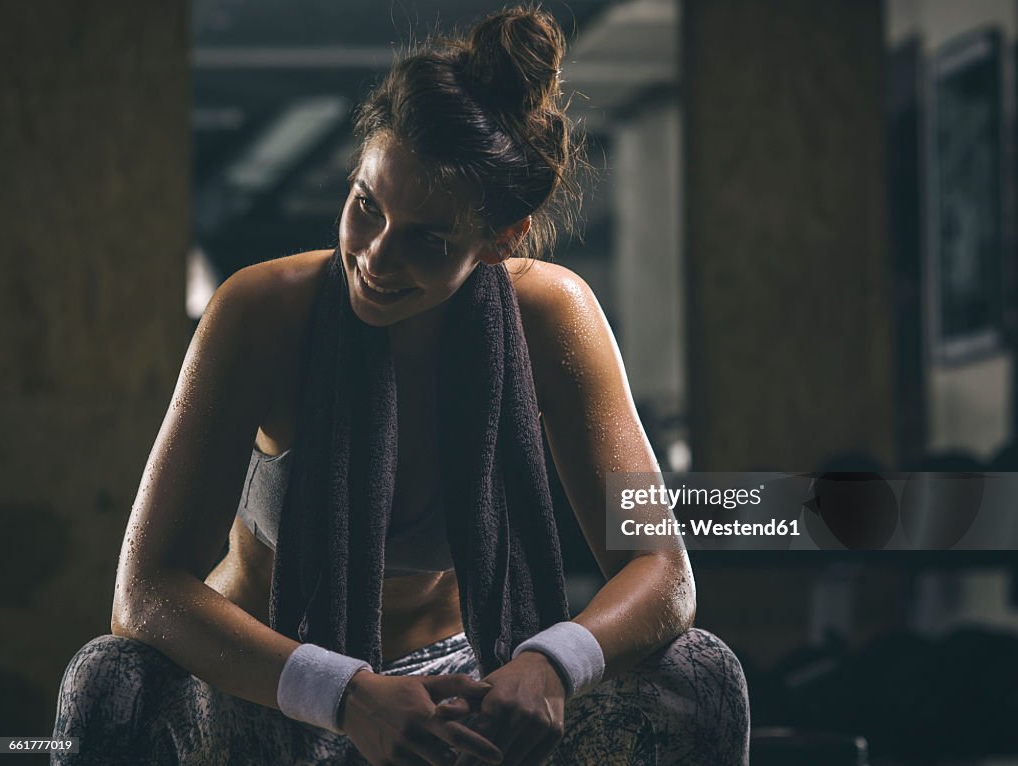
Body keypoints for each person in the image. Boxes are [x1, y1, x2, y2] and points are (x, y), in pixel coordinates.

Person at [53, 7, 749, 765]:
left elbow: (661, 570)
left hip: (454, 683)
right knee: (106, 679)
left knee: (701, 672)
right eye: (366, 206)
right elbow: (145, 591)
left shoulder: (552, 316)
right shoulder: (259, 311)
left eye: (429, 238)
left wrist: (550, 663)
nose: (377, 257)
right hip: (268, 684)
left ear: (499, 240)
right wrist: (342, 692)